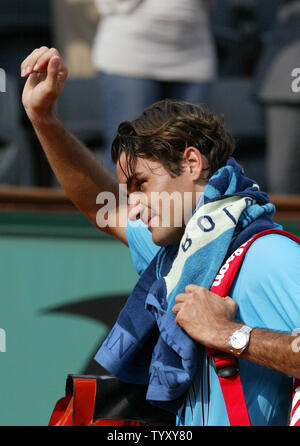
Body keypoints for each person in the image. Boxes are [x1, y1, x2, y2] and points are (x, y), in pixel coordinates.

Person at [20, 47, 300, 426]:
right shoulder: (178, 254)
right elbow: (104, 210)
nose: (133, 206)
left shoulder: (272, 255)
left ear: (191, 163)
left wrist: (230, 335)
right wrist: (43, 117)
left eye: (142, 185)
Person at [91, 0, 217, 172]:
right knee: (130, 155)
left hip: (194, 57)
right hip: (128, 58)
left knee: (192, 156)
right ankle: (124, 200)